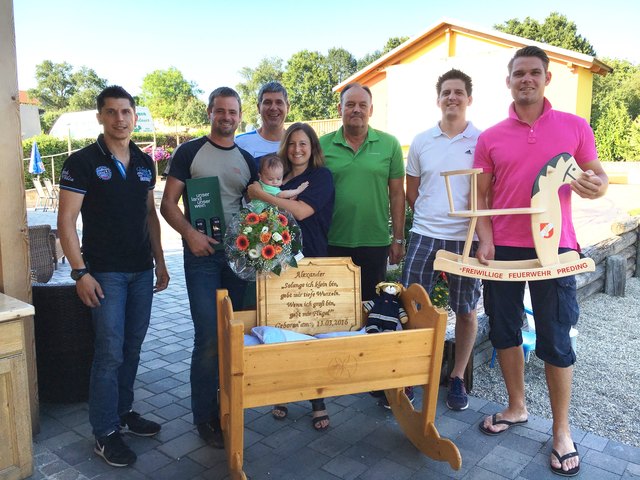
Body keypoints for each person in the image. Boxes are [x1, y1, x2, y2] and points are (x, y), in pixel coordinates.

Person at [474, 46, 608, 477]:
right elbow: (481, 196)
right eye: (519, 73)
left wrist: (596, 185)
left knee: (555, 335)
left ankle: (562, 430)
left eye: (535, 72)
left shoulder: (574, 126)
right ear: (509, 81)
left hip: (557, 249)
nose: (526, 79)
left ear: (547, 78)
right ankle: (516, 406)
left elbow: (597, 176)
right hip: (506, 250)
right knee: (505, 329)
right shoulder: (490, 136)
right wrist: (485, 241)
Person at [57, 85, 170, 468]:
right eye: (112, 112)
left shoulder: (143, 162)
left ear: (134, 116)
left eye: (126, 112)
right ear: (100, 117)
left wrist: (161, 261)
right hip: (105, 273)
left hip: (141, 271)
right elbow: (66, 221)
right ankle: (105, 433)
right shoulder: (82, 161)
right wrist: (79, 273)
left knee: (132, 347)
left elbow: (149, 215)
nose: (119, 119)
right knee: (108, 354)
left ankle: (123, 413)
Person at [160, 86, 257, 449]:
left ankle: (230, 405)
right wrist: (189, 235)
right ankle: (204, 415)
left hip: (237, 259)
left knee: (234, 335)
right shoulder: (189, 152)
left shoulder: (247, 159)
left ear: (239, 115)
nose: (227, 117)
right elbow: (168, 204)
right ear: (210, 113)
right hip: (200, 256)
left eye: (232, 112)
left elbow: (256, 208)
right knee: (207, 337)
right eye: (220, 111)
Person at [401, 69, 481, 412]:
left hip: (466, 239)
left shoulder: (482, 141)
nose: (452, 97)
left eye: (458, 92)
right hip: (424, 234)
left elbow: (487, 191)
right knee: (411, 305)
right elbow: (412, 189)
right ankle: (407, 373)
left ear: (468, 99)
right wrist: (429, 214)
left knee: (464, 310)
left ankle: (457, 376)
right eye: (446, 92)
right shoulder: (421, 141)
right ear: (438, 99)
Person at [248, 122, 335, 429]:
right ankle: (282, 392)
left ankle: (317, 400)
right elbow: (254, 205)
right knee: (279, 330)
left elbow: (300, 212)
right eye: (293, 143)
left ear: (313, 149)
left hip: (311, 262)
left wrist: (261, 193)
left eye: (304, 144)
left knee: (310, 332)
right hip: (277, 263)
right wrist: (258, 193)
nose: (298, 149)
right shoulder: (276, 176)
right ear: (285, 147)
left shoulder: (320, 177)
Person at [320, 83, 405, 301]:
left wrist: (398, 239)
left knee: (370, 308)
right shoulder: (322, 146)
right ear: (340, 110)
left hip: (374, 242)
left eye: (362, 105)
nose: (356, 109)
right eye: (350, 104)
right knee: (333, 306)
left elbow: (397, 195)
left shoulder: (389, 144)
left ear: (371, 110)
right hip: (332, 240)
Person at [236, 81, 290, 168]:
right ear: (258, 108)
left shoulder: (297, 144)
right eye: (267, 102)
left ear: (287, 108)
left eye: (279, 102)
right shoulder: (240, 143)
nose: (273, 108)